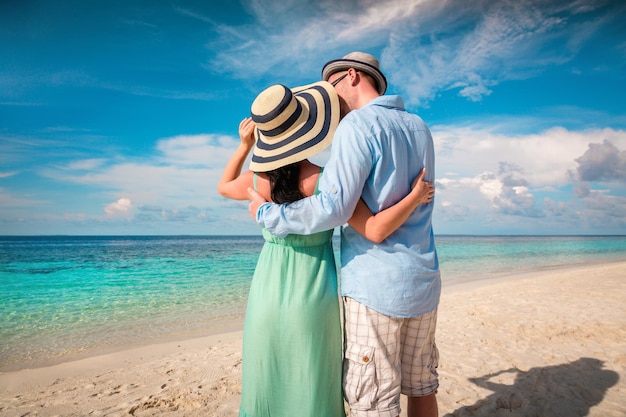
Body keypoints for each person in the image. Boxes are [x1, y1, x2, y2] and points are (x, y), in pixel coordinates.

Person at [218, 81, 434, 417]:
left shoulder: (257, 181)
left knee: (268, 374)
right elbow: (373, 227)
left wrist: (244, 146)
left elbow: (223, 186)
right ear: (306, 129)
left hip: (266, 291)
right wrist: (415, 196)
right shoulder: (326, 178)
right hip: (314, 291)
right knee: (313, 375)